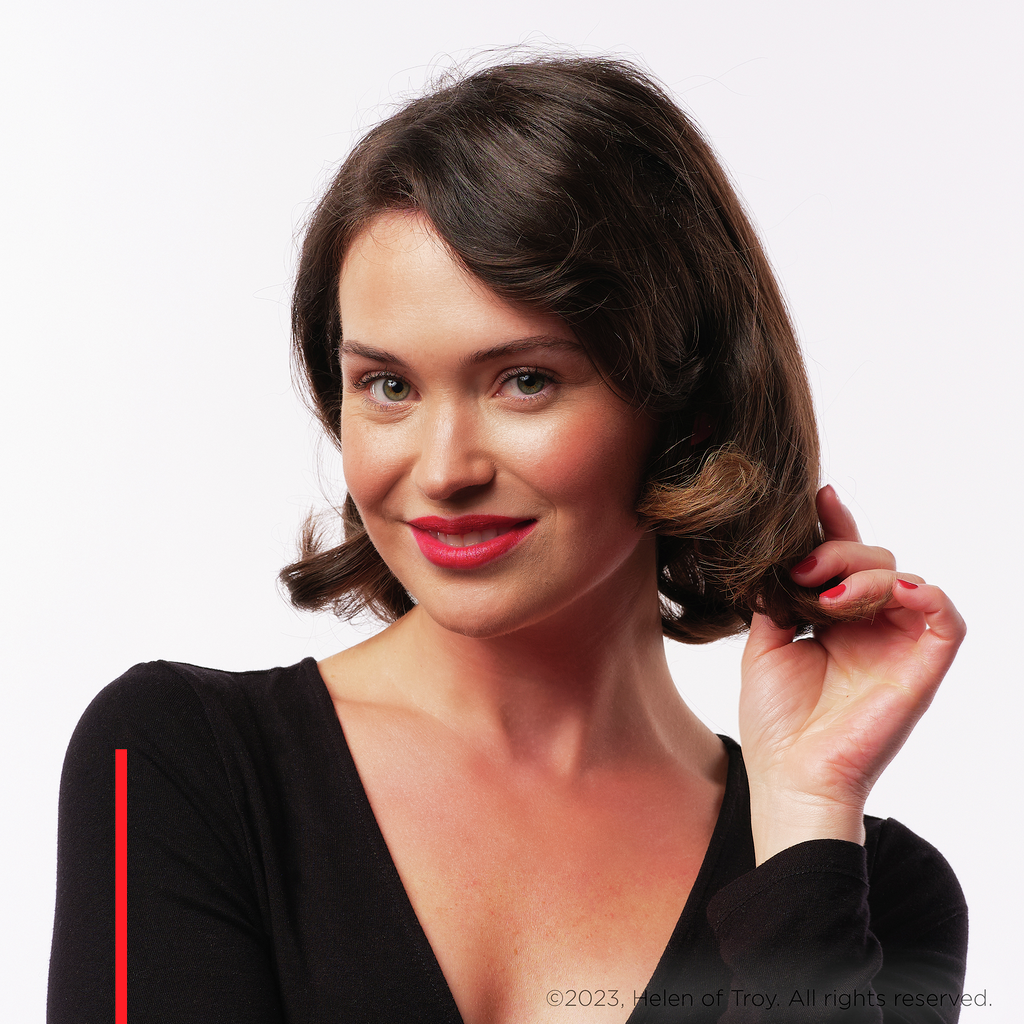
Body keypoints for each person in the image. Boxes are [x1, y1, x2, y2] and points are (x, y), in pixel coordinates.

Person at [47, 56, 968, 1023]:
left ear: (688, 412)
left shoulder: (874, 895)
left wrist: (806, 819)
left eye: (525, 380)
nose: (444, 469)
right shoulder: (166, 763)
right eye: (388, 386)